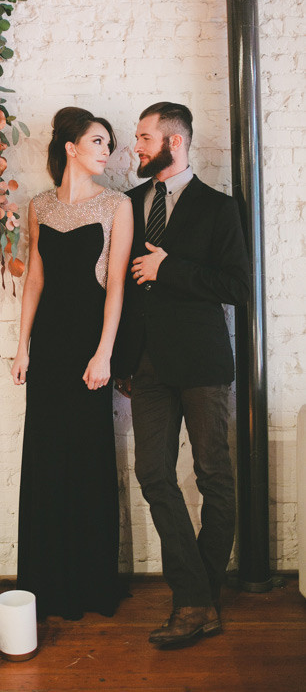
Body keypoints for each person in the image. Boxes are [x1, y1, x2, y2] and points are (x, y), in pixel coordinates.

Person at [113, 101, 250, 647]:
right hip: (144, 367)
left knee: (215, 476)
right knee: (154, 475)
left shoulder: (220, 208)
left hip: (201, 363)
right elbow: (119, 289)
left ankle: (198, 598)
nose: (135, 148)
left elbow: (236, 288)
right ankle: (198, 598)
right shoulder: (128, 203)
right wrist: (121, 359)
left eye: (144, 138)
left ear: (174, 142)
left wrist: (172, 268)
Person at [11, 106, 133, 621]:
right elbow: (34, 277)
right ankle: (46, 584)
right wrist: (22, 345)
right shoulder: (39, 205)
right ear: (71, 148)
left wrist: (104, 351)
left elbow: (117, 286)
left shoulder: (117, 205)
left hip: (89, 346)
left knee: (85, 456)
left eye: (110, 143)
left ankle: (89, 585)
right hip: (49, 347)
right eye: (99, 142)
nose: (108, 152)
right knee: (46, 455)